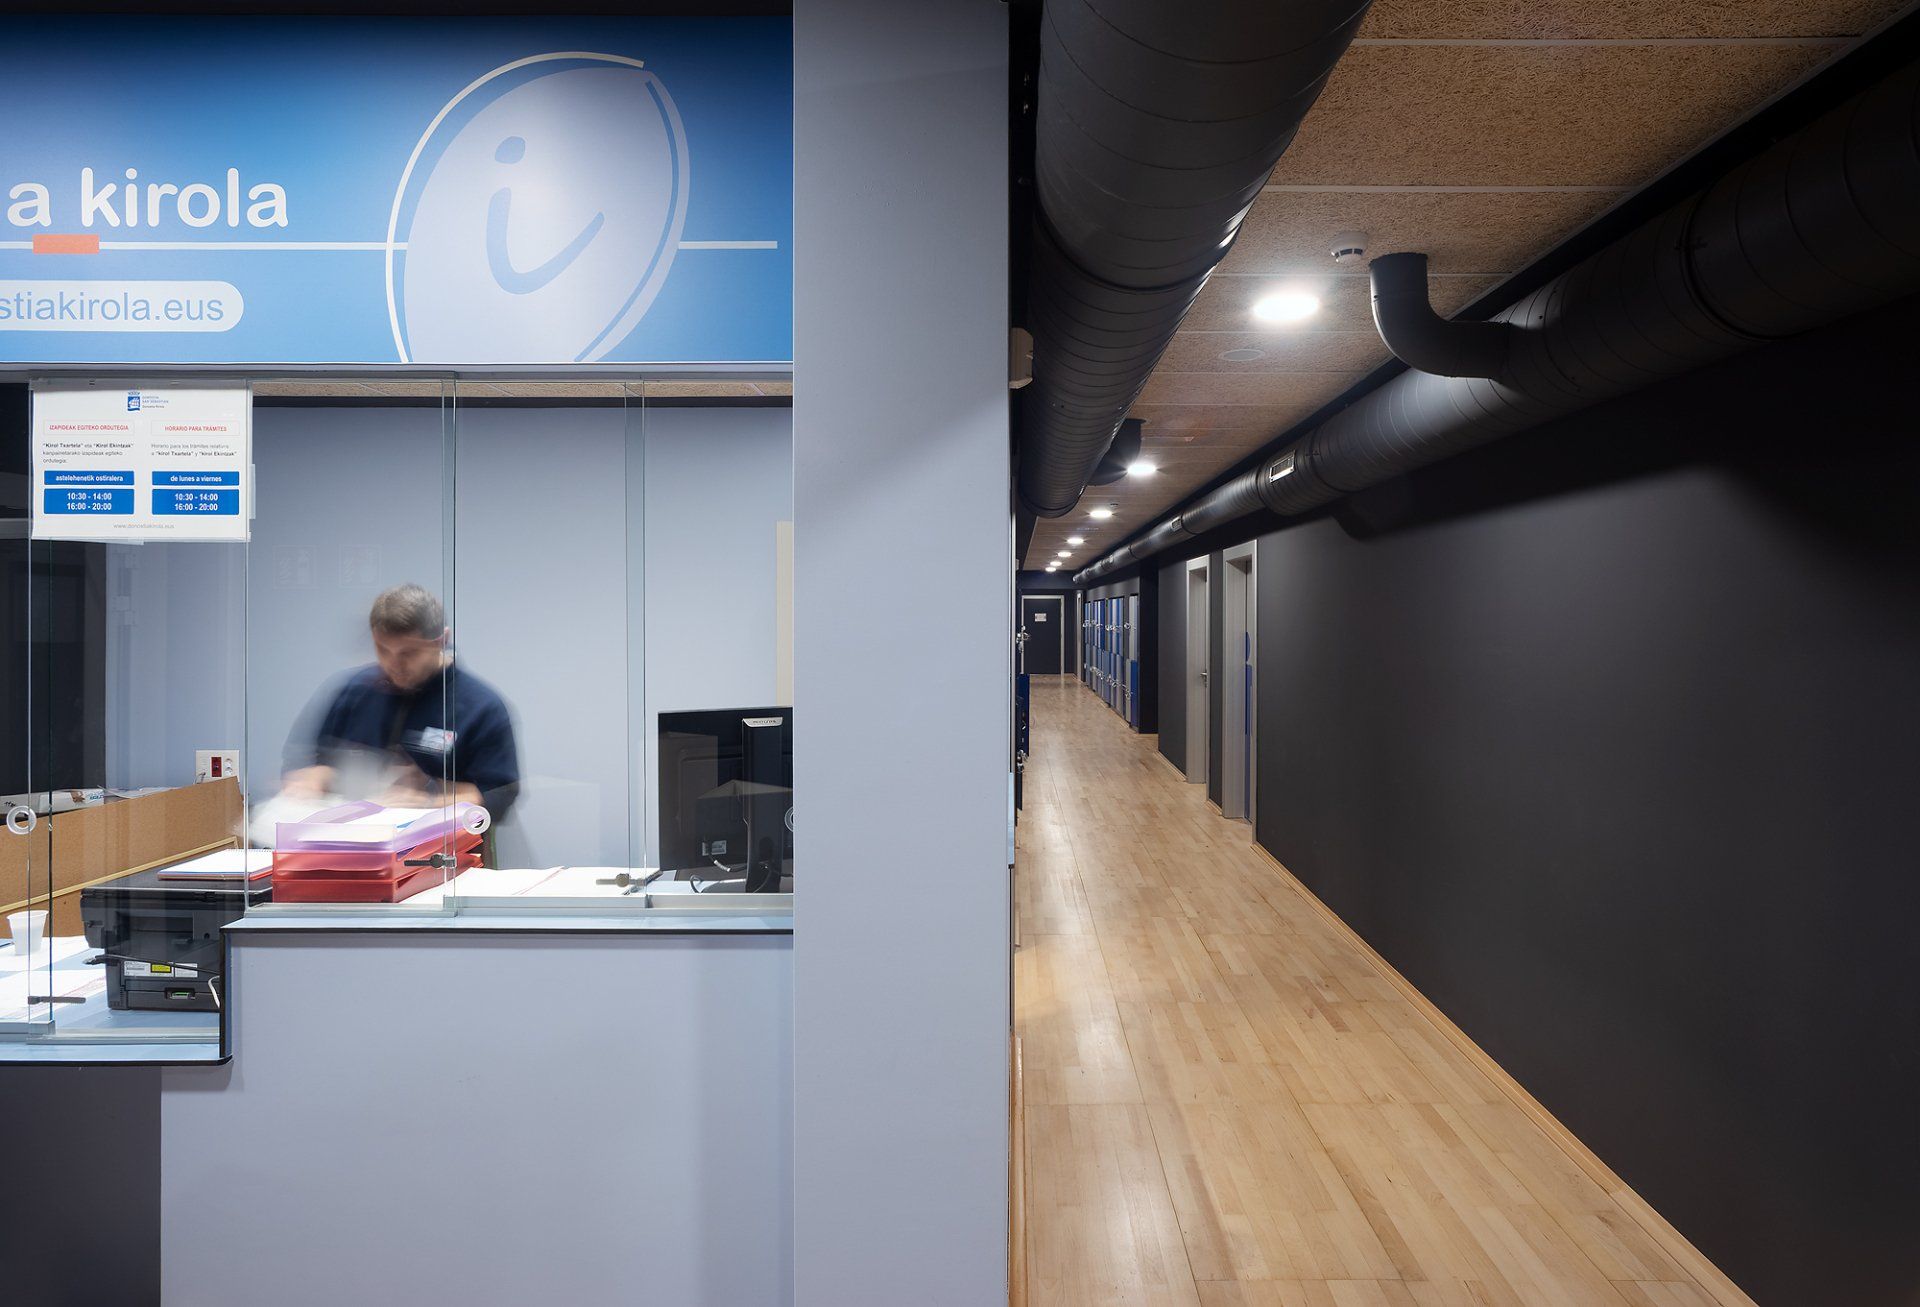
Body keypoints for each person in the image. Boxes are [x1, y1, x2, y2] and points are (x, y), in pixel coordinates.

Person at [283, 584, 519, 820]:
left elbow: (499, 796)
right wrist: (316, 777)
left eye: (409, 653)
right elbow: (318, 761)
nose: (393, 665)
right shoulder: (354, 692)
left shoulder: (481, 707)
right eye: (382, 649)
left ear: (442, 641)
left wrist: (427, 802)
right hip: (355, 833)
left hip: (437, 839)